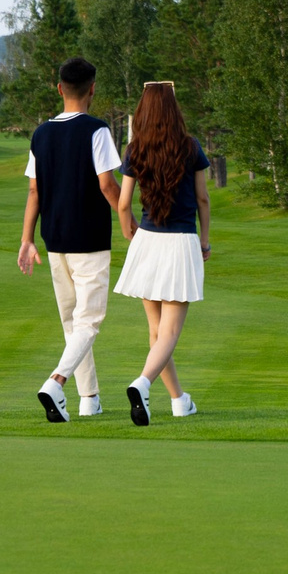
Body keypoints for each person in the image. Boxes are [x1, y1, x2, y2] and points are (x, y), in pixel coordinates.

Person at [16, 56, 123, 423]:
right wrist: (131, 220)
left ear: (59, 88)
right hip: (90, 239)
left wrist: (26, 239)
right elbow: (108, 185)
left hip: (54, 239)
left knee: (71, 321)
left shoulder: (40, 134)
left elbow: (34, 192)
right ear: (92, 89)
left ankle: (89, 398)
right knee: (88, 322)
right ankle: (56, 382)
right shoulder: (98, 130)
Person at [112, 80, 211, 424]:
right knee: (168, 333)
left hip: (148, 241)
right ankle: (142, 382)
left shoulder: (135, 149)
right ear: (174, 110)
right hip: (181, 242)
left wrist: (130, 233)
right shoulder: (191, 147)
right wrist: (205, 241)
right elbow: (202, 199)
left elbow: (123, 204)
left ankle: (179, 401)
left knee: (156, 332)